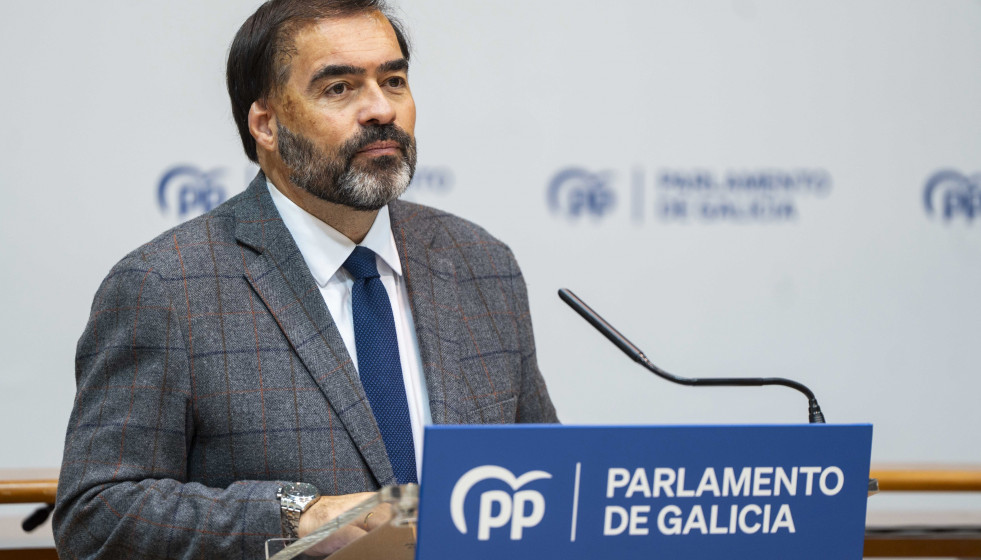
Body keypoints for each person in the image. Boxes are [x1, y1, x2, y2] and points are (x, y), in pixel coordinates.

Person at [52, 0, 557, 557]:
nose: (380, 109)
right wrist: (296, 513)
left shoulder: (479, 264)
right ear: (266, 124)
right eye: (339, 88)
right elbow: (95, 515)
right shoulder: (166, 287)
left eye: (394, 81)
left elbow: (542, 476)